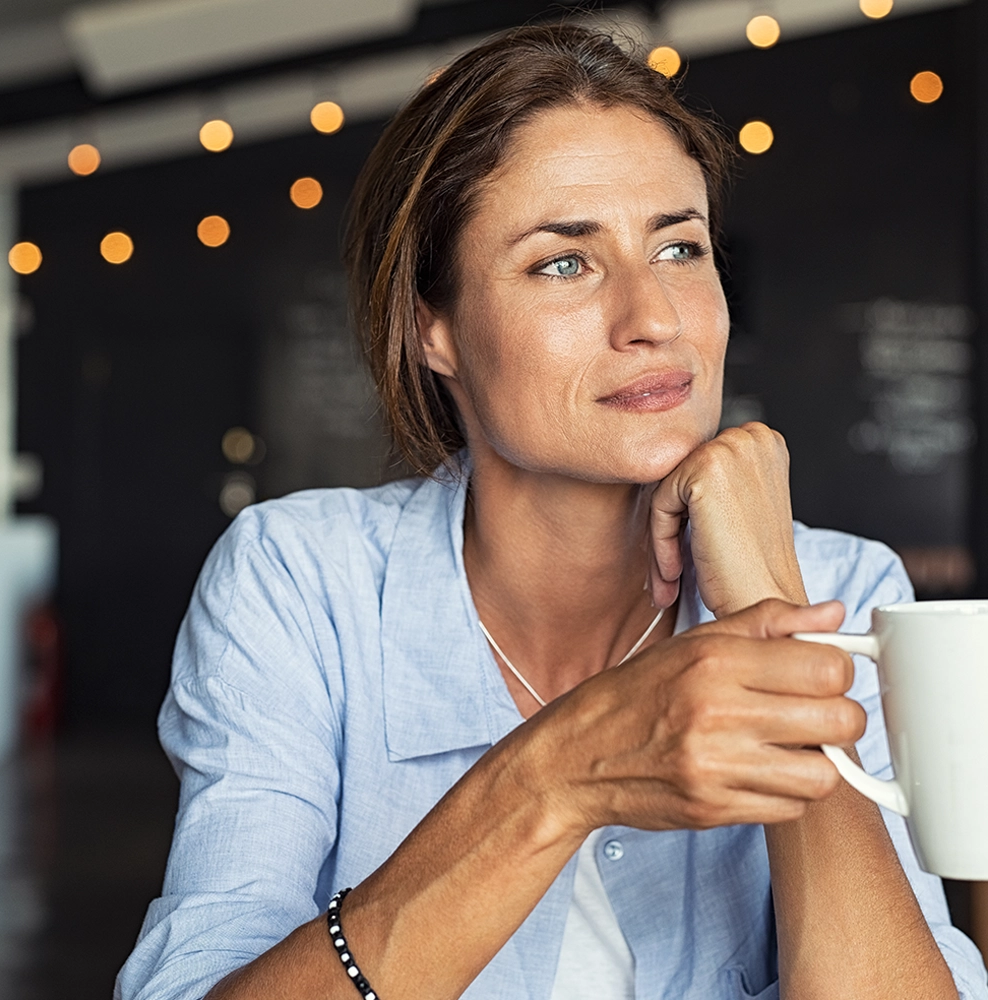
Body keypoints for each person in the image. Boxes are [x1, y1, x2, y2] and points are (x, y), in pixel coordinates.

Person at [115, 23, 988, 1000]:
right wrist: (558, 775)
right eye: (564, 263)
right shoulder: (301, 582)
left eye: (680, 247)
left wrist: (767, 606)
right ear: (431, 326)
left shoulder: (842, 590)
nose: (654, 317)